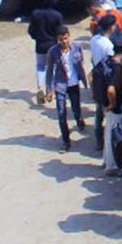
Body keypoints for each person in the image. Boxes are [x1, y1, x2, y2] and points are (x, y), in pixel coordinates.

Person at [44, 25, 88, 153]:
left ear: (68, 36)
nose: (63, 42)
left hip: (74, 84)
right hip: (60, 85)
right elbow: (49, 71)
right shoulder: (53, 52)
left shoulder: (77, 47)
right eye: (60, 39)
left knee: (76, 108)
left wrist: (84, 81)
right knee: (61, 113)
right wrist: (49, 89)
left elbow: (81, 64)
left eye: (65, 38)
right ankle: (66, 141)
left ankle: (79, 120)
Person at [94, 33, 122, 173]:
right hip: (114, 106)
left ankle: (107, 161)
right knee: (113, 135)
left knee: (108, 133)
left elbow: (91, 76)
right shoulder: (117, 68)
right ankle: (111, 167)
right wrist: (112, 104)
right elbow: (111, 89)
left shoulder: (105, 61)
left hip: (104, 104)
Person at [28, 0, 63, 105]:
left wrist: (36, 37)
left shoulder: (35, 14)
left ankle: (40, 88)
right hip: (53, 45)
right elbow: (60, 32)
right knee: (53, 68)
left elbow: (31, 30)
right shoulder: (57, 15)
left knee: (40, 67)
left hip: (40, 45)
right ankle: (50, 90)